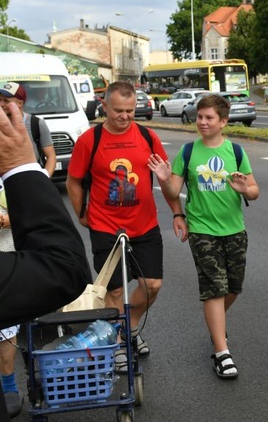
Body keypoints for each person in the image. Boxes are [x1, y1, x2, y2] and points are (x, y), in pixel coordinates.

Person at [66, 81, 187, 372]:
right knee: (116, 291)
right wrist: (81, 212)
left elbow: (166, 183)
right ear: (104, 106)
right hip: (106, 226)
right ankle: (118, 343)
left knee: (152, 284)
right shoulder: (89, 140)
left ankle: (129, 327)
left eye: (130, 110)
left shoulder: (147, 136)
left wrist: (177, 212)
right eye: (119, 110)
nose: (125, 116)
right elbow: (73, 180)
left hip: (144, 224)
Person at [148, 94, 259, 380]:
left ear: (223, 121)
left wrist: (244, 188)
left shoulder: (235, 151)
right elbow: (173, 193)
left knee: (233, 286)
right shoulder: (187, 152)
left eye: (209, 118)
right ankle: (222, 352)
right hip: (201, 230)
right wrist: (163, 178)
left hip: (234, 229)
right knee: (215, 287)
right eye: (200, 116)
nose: (202, 122)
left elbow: (255, 191)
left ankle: (215, 324)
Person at [0, 101, 90, 420]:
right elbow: (64, 269)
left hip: (15, 242)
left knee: (9, 330)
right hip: (25, 246)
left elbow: (51, 156)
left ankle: (9, 385)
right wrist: (20, 167)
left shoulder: (37, 124)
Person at [0, 82, 57, 177]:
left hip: (31, 181)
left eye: (6, 101)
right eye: (0, 100)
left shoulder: (36, 124)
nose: (1, 104)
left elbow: (51, 157)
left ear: (20, 103)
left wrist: (45, 179)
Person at [0, 182, 20, 419]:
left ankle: (9, 390)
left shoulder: (10, 180)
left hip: (6, 258)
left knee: (5, 329)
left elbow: (28, 214)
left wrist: (4, 221)